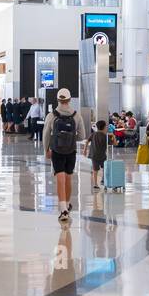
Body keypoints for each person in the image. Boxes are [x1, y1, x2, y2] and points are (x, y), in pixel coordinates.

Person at [43, 88, 85, 222]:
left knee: (60, 179)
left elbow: (45, 135)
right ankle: (67, 204)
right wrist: (71, 138)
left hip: (57, 151)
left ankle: (63, 210)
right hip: (71, 151)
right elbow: (82, 136)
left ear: (58, 100)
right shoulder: (76, 115)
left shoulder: (52, 115)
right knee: (68, 178)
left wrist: (46, 150)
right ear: (69, 100)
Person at [88, 119, 109, 191]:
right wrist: (113, 136)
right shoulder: (105, 136)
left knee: (95, 170)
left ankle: (95, 184)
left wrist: (84, 151)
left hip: (94, 155)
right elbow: (114, 143)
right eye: (106, 126)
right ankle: (104, 180)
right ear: (104, 127)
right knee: (105, 168)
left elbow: (87, 141)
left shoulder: (94, 134)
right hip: (102, 155)